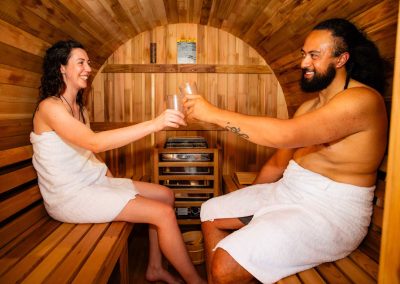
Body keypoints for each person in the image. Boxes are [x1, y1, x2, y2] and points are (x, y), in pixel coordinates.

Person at [183, 18, 388, 283]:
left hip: (330, 212)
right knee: (210, 212)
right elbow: (279, 161)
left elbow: (284, 135)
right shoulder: (308, 108)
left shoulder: (362, 101)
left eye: (314, 55)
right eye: (304, 54)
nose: (304, 63)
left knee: (225, 265)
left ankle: (222, 274)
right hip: (288, 190)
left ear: (341, 59)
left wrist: (212, 114)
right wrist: (252, 196)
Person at [31, 40, 206, 284]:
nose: (88, 68)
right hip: (69, 196)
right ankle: (196, 282)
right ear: (62, 68)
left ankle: (155, 267)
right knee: (163, 213)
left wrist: (112, 181)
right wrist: (155, 124)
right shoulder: (50, 107)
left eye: (88, 63)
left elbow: (88, 153)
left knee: (165, 194)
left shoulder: (80, 108)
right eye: (80, 62)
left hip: (94, 183)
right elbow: (93, 143)